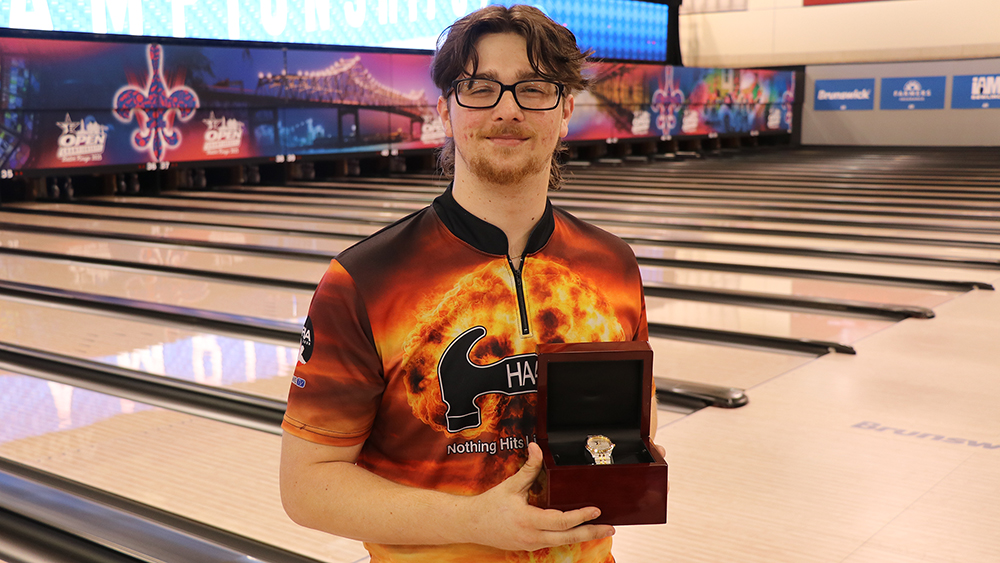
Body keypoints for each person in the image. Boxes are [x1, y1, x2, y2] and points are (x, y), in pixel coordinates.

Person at [280, 5, 660, 562]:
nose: (507, 109)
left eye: (534, 88)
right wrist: (473, 521)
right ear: (445, 109)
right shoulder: (364, 279)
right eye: (480, 88)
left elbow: (636, 419)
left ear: (566, 110)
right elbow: (306, 486)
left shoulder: (613, 264)